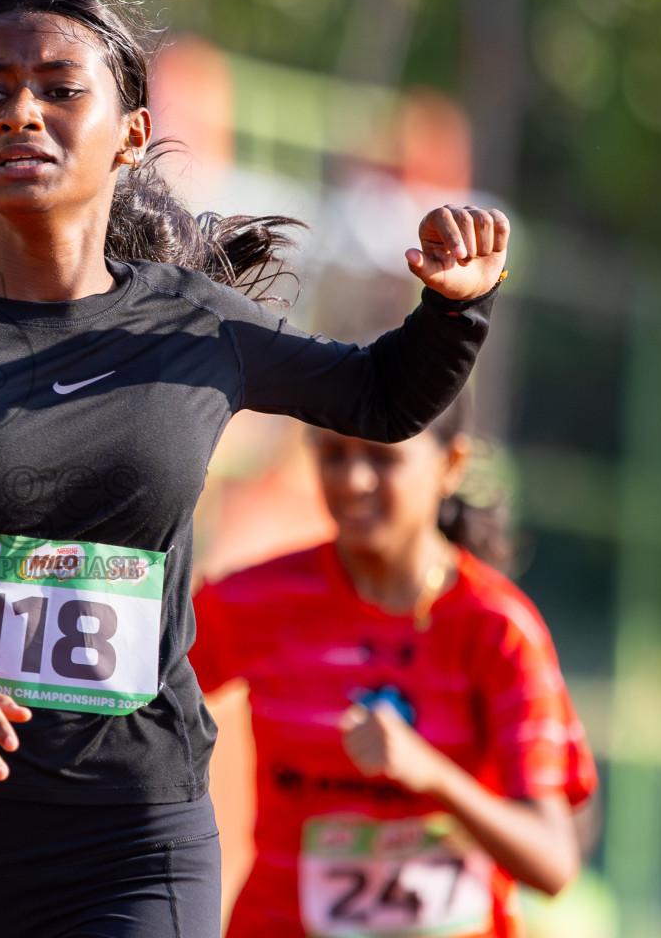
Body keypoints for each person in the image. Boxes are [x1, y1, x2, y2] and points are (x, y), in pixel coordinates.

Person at [0, 0, 510, 937]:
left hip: (136, 840)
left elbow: (384, 396)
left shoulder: (193, 329)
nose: (21, 111)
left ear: (133, 134)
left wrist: (456, 304)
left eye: (60, 88)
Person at [190, 394, 597, 938]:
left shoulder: (497, 628)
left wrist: (433, 776)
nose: (354, 480)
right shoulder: (256, 600)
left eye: (383, 458)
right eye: (333, 454)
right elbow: (128, 698)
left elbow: (552, 863)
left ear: (451, 464)